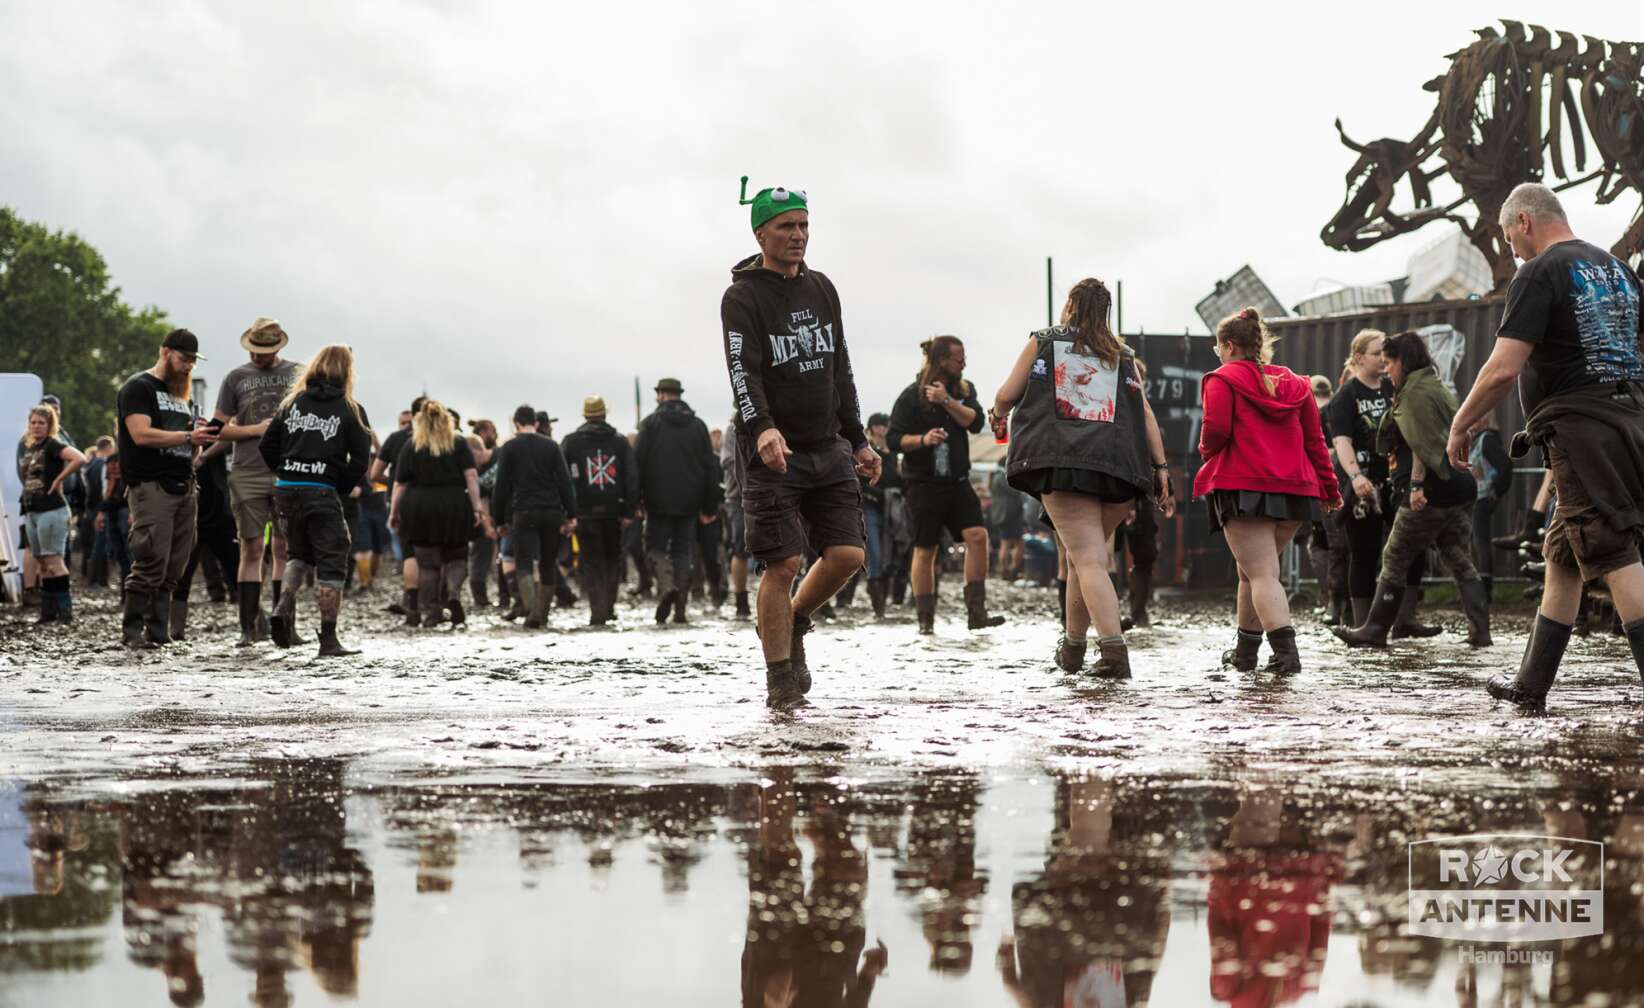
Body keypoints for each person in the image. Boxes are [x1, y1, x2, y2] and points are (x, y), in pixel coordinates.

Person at [1444, 183, 1644, 710]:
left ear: (1525, 221)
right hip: (1628, 419)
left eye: (1509, 236)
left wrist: (1461, 423)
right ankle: (1530, 687)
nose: (1511, 248)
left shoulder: (1540, 271)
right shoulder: (1618, 270)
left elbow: (1502, 368)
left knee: (1611, 548)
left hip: (1581, 427)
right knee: (1563, 555)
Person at [721, 178, 881, 708]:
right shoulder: (742, 297)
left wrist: (857, 438)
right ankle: (779, 678)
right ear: (761, 232)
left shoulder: (822, 287)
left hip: (827, 443)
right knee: (782, 563)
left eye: (805, 226)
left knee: (848, 553)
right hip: (772, 451)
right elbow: (742, 370)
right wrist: (762, 426)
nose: (799, 235)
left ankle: (793, 622)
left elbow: (841, 365)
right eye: (787, 226)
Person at [991, 278, 1175, 677]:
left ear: (1072, 305)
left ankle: (1114, 653)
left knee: (1089, 559)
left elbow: (1007, 394)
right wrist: (1160, 469)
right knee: (1084, 558)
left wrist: (997, 413)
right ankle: (1073, 649)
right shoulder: (1121, 353)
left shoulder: (1044, 340)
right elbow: (1144, 414)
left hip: (1064, 462)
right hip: (1121, 468)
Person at [1194, 308, 1341, 675]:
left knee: (1261, 574)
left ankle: (1286, 657)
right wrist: (1330, 488)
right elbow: (1315, 441)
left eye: (1218, 349)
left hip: (1244, 486)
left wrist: (1205, 452)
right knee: (1252, 572)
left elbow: (1215, 430)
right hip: (1295, 490)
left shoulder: (1222, 379)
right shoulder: (1296, 383)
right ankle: (1245, 653)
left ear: (1228, 346)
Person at [1334, 330, 1489, 649]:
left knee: (1393, 556)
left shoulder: (1415, 394)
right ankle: (1480, 632)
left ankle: (1374, 630)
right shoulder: (1436, 385)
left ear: (1402, 361)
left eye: (1389, 361)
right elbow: (1464, 428)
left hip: (1429, 487)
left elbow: (1421, 445)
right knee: (1459, 557)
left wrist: (1417, 485)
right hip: (1458, 486)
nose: (1387, 369)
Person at [259, 345, 373, 656]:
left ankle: (284, 603)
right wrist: (339, 485)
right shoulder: (350, 408)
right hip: (321, 489)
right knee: (332, 563)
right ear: (347, 372)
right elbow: (362, 460)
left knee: (298, 554)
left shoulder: (292, 402)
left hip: (286, 489)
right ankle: (329, 639)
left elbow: (267, 445)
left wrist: (284, 473)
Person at [888, 335, 1004, 633]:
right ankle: (925, 620)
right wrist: (923, 440)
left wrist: (947, 401)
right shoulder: (911, 396)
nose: (963, 363)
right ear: (941, 360)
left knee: (978, 537)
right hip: (924, 483)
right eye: (958, 358)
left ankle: (976, 612)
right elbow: (892, 439)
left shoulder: (964, 390)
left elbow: (976, 422)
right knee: (925, 549)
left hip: (958, 480)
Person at [115, 328, 218, 647]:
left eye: (192, 361)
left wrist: (199, 438)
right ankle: (132, 633)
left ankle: (157, 632)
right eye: (183, 358)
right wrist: (188, 437)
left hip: (184, 482)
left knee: (176, 563)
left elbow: (189, 450)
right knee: (150, 558)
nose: (188, 366)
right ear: (165, 352)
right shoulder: (138, 387)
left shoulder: (180, 396)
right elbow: (140, 435)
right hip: (150, 484)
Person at [214, 317, 300, 647]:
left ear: (278, 348)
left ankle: (285, 625)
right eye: (253, 350)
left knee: (286, 548)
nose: (257, 356)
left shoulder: (297, 374)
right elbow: (217, 428)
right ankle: (247, 628)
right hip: (247, 470)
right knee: (251, 548)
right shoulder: (236, 377)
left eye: (264, 351)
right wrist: (254, 429)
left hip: (289, 470)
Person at [389, 400, 491, 628]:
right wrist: (477, 508)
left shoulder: (411, 445)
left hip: (420, 507)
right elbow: (471, 477)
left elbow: (400, 485)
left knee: (428, 565)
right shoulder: (458, 442)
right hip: (454, 504)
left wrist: (394, 512)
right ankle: (453, 594)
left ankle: (433, 611)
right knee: (456, 557)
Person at [634, 378, 718, 626]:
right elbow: (709, 468)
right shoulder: (698, 426)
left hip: (656, 499)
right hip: (690, 501)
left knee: (655, 548)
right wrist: (709, 505)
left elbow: (637, 464)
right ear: (679, 395)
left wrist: (635, 499)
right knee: (683, 552)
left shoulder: (650, 424)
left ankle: (667, 586)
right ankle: (680, 610)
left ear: (661, 395)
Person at [492, 404, 576, 629]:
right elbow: (565, 481)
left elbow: (501, 487)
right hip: (551, 511)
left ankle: (531, 609)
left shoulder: (509, 447)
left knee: (524, 563)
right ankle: (543, 613)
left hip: (524, 511)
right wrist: (571, 514)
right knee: (548, 563)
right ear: (536, 423)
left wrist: (499, 519)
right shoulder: (551, 446)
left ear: (515, 423)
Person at [563, 396, 637, 625]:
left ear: (584, 415)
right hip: (614, 511)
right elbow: (632, 477)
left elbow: (563, 479)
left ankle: (598, 611)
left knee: (592, 562)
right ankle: (609, 607)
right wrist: (628, 510)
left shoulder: (571, 443)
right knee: (612, 559)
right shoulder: (620, 442)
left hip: (585, 512)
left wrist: (569, 512)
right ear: (605, 414)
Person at [17, 404, 87, 623]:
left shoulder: (53, 445)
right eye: (33, 422)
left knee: (54, 560)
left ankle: (65, 611)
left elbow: (80, 458)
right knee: (41, 561)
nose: (37, 426)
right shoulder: (30, 447)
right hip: (32, 510)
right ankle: (48, 612)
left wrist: (59, 479)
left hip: (52, 509)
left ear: (49, 426)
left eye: (41, 423)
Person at [369, 400, 423, 620]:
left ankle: (412, 603)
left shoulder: (395, 439)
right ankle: (431, 602)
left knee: (408, 554)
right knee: (430, 553)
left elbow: (374, 475)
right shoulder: (435, 437)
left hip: (400, 503)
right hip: (428, 500)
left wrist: (393, 480)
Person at [1307, 374, 1351, 626]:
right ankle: (1343, 605)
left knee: (1324, 544)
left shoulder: (1314, 414)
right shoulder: (1339, 408)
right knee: (1343, 544)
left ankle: (1332, 602)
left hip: (1323, 486)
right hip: (1348, 484)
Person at [1468, 415, 1513, 596]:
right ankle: (1477, 586)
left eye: (1474, 417)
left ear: (1484, 420)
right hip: (1475, 497)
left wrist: (1496, 492)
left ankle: (1484, 591)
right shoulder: (1476, 440)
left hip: (1483, 496)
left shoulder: (1487, 440)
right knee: (1475, 541)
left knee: (1481, 542)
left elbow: (1506, 465)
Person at [719, 413, 752, 619]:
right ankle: (741, 601)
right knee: (740, 548)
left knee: (777, 551)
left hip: (770, 496)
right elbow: (729, 460)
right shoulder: (733, 429)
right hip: (738, 498)